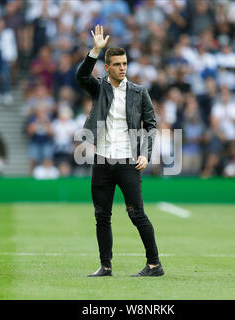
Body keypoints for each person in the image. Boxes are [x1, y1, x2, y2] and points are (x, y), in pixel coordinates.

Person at [76, 25, 164, 277]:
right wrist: (95, 50)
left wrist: (146, 153)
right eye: (116, 64)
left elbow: (151, 125)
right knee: (102, 217)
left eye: (124, 63)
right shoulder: (100, 88)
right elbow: (82, 77)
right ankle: (105, 266)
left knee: (137, 215)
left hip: (128, 162)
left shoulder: (139, 92)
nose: (122, 67)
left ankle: (154, 264)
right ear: (107, 68)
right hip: (102, 161)